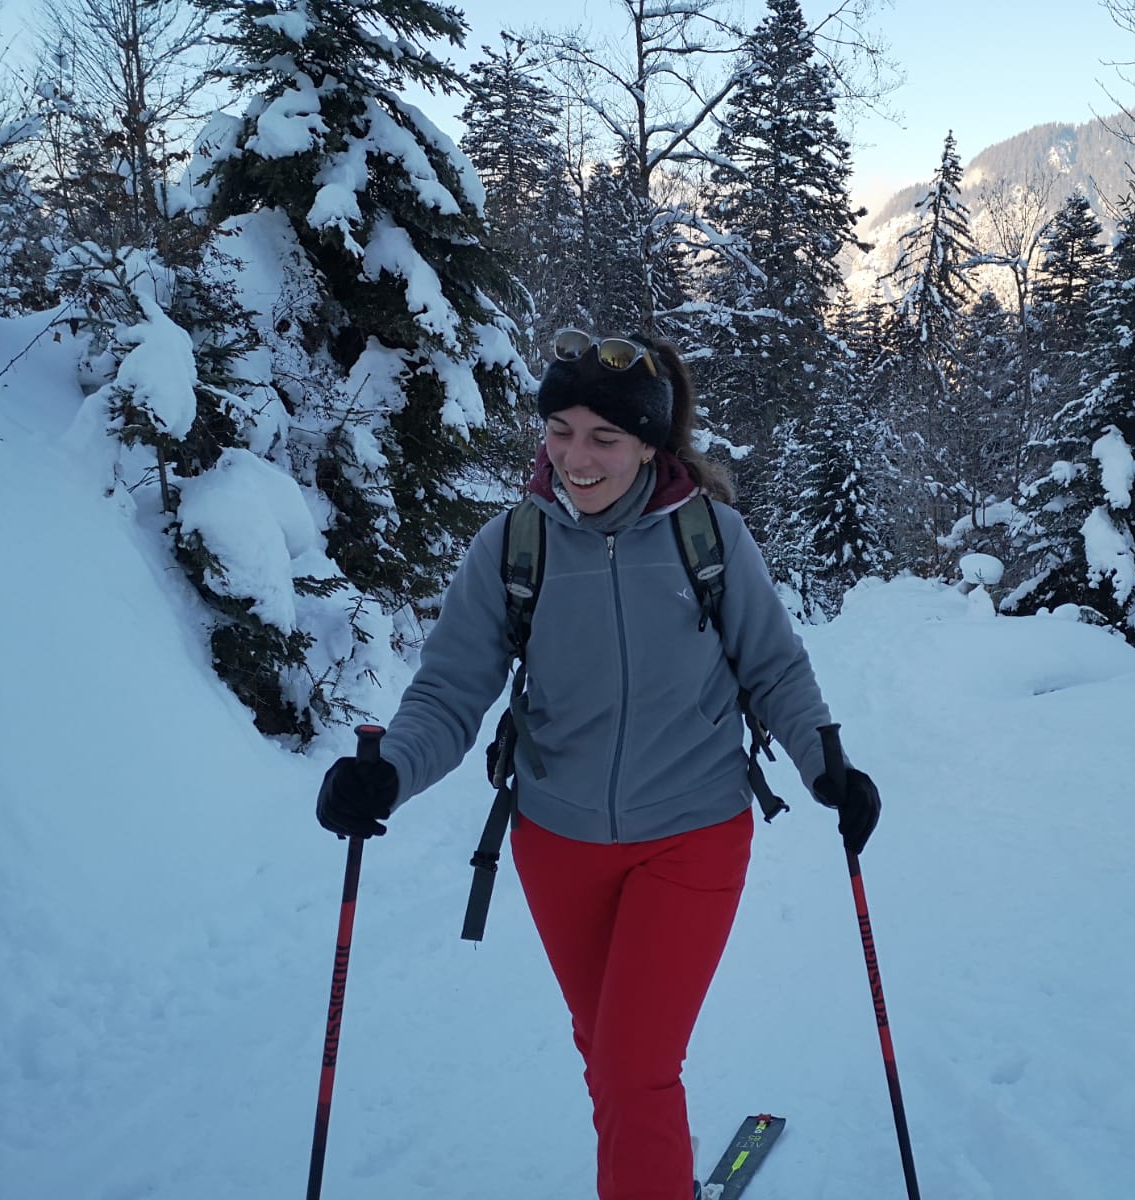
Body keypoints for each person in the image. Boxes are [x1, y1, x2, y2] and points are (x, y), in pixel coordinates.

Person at [315, 327, 881, 1200]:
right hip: (557, 841)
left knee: (632, 1067)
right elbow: (450, 692)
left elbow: (774, 670)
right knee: (609, 1059)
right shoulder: (513, 548)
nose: (575, 457)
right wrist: (387, 769)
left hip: (692, 835)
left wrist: (826, 766)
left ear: (649, 444)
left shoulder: (710, 540)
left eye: (603, 437)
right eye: (559, 430)